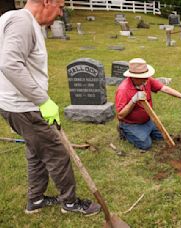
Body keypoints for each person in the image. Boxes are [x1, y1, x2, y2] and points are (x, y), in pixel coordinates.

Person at [0, 0, 100, 216]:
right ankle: (70, 203)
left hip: (16, 104)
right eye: (61, 6)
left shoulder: (11, 18)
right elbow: (9, 63)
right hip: (25, 107)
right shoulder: (22, 22)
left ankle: (35, 199)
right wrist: (42, 100)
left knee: (36, 151)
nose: (61, 13)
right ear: (47, 2)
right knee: (57, 153)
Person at [115, 58, 181, 150]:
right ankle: (124, 131)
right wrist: (133, 100)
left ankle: (145, 131)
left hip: (147, 120)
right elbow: (120, 116)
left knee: (163, 137)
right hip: (131, 124)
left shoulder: (146, 80)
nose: (146, 80)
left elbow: (165, 88)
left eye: (146, 76)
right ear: (134, 77)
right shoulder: (123, 90)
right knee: (145, 145)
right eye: (143, 78)